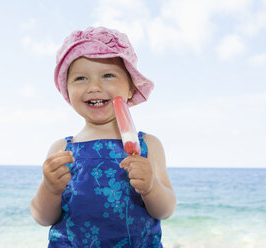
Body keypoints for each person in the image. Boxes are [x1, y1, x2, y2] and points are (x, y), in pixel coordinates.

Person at [30, 26, 176, 248]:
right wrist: (50, 189)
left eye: (108, 75)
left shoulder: (149, 145)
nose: (94, 87)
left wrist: (151, 187)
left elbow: (166, 210)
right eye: (80, 78)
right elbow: (42, 218)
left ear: (130, 88)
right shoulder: (61, 149)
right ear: (67, 91)